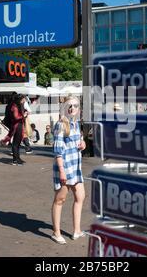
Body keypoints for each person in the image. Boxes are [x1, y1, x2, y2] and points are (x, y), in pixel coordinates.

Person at [51, 96, 86, 244]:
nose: (72, 108)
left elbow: (78, 140)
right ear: (65, 107)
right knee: (60, 200)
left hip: (75, 168)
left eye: (75, 106)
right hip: (64, 167)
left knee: (80, 197)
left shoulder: (76, 123)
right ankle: (56, 232)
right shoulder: (61, 124)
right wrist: (62, 171)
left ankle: (77, 231)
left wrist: (83, 143)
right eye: (69, 106)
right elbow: (58, 151)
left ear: (78, 108)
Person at [10, 94, 27, 165]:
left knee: (18, 143)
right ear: (20, 99)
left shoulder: (19, 105)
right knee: (15, 143)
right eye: (23, 99)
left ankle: (18, 158)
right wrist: (24, 115)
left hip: (20, 125)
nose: (24, 100)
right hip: (17, 126)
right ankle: (15, 159)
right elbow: (16, 117)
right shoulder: (15, 106)